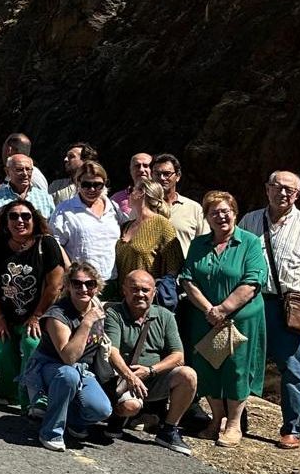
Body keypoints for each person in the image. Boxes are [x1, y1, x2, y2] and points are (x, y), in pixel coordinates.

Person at [238, 171, 300, 450]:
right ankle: (236, 420)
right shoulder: (250, 221)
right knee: (244, 363)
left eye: (289, 190)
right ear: (267, 188)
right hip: (253, 302)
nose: (282, 193)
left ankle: (292, 428)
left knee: (293, 369)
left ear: (298, 195)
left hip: (290, 305)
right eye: (277, 187)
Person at [179, 191, 270, 449]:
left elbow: (252, 282)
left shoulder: (250, 243)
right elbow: (187, 278)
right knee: (208, 367)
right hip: (205, 318)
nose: (221, 216)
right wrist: (210, 309)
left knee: (236, 369)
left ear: (234, 213)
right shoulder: (199, 244)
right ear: (207, 217)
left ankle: (234, 424)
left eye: (225, 211)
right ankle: (216, 419)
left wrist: (224, 309)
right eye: (214, 212)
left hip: (240, 320)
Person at [0, 199, 66, 410]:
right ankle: (9, 393)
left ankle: (32, 395)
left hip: (38, 314)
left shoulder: (46, 244)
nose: (20, 220)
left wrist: (37, 316)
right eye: (14, 216)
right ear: (6, 221)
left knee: (32, 344)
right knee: (0, 348)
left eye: (25, 216)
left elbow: (55, 285)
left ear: (34, 219)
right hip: (6, 313)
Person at [103, 271, 199, 455]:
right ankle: (118, 415)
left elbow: (178, 356)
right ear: (124, 291)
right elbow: (112, 351)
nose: (140, 294)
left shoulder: (165, 316)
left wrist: (150, 370)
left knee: (188, 375)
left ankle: (169, 430)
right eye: (134, 289)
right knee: (131, 407)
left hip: (152, 376)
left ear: (154, 292)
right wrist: (130, 376)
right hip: (123, 377)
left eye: (145, 290)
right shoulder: (114, 313)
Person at [22, 261, 114, 451]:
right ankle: (51, 432)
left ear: (97, 287)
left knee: (102, 410)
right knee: (68, 375)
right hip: (49, 368)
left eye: (89, 284)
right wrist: (86, 323)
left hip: (82, 371)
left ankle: (69, 419)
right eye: (77, 283)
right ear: (68, 285)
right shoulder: (58, 314)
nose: (83, 288)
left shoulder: (97, 308)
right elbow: (68, 358)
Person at [50, 161, 122, 287]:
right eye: (86, 185)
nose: (92, 189)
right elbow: (54, 242)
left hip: (110, 279)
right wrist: (70, 268)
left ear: (104, 184)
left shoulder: (113, 208)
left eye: (97, 185)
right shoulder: (65, 209)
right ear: (78, 182)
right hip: (81, 283)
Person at [112, 180, 184, 304]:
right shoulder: (126, 226)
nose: (128, 194)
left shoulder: (162, 225)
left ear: (141, 193)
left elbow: (174, 266)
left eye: (131, 190)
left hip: (147, 301)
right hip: (122, 300)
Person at [0, 153, 56, 250]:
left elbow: (52, 232)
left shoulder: (45, 198)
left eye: (28, 169)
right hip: (4, 259)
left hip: (39, 258)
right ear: (7, 172)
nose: (25, 173)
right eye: (19, 170)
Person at [152, 153, 208, 254]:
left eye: (167, 173)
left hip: (184, 268)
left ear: (177, 176)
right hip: (150, 269)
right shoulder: (144, 207)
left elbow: (205, 243)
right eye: (157, 174)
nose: (162, 178)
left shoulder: (194, 208)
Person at [47, 142, 98, 206]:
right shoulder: (56, 186)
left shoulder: (97, 187)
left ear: (85, 160)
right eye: (66, 156)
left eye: (71, 156)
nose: (65, 159)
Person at [112, 152, 153, 219]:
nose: (141, 169)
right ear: (130, 170)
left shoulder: (162, 195)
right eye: (137, 166)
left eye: (146, 166)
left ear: (153, 169)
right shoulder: (116, 200)